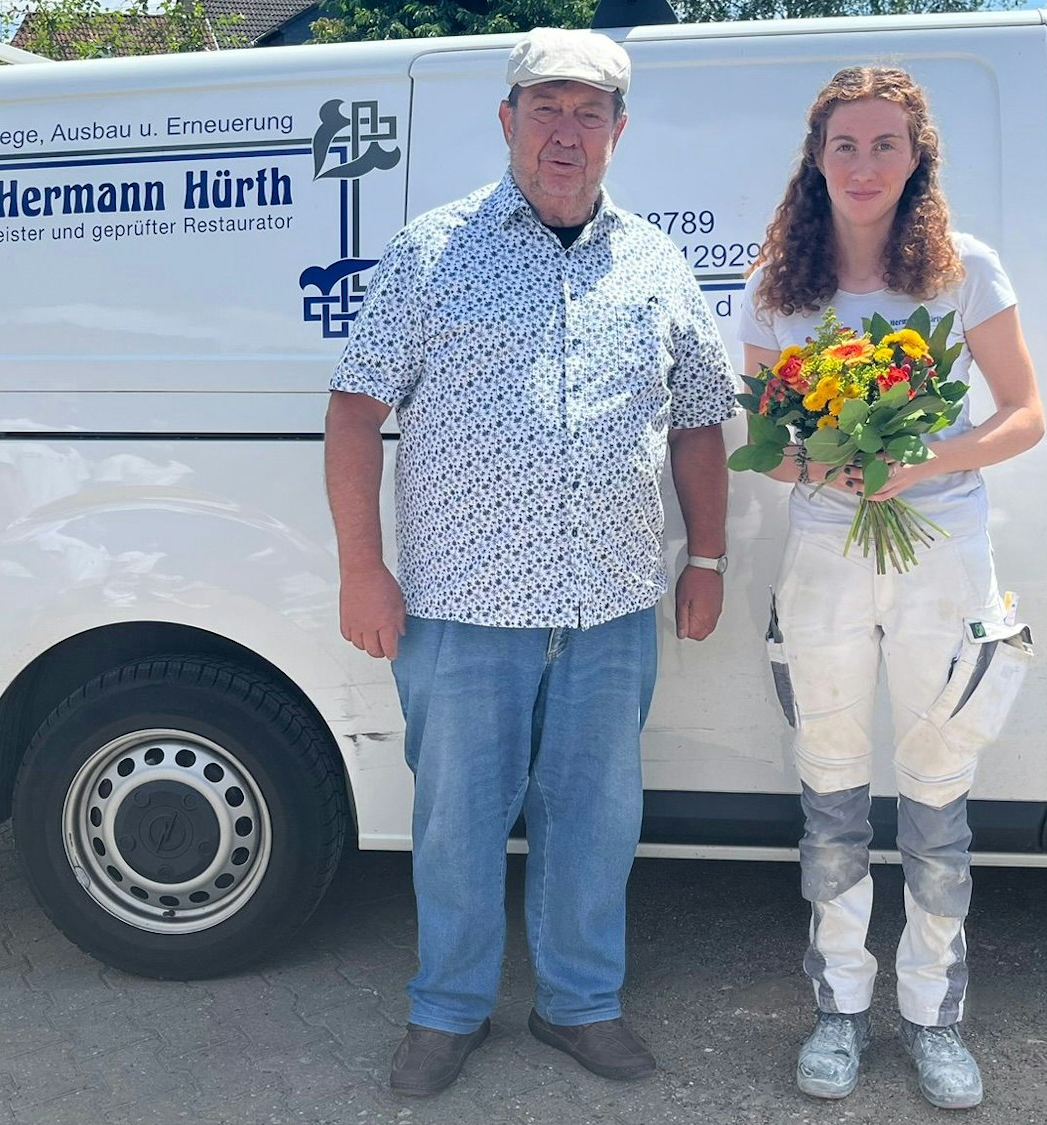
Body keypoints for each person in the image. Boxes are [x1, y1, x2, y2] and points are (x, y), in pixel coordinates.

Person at [322, 27, 737, 1099]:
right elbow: (355, 412)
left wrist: (709, 561)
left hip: (608, 606)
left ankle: (578, 1004)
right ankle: (444, 1011)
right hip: (460, 607)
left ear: (618, 131)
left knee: (593, 816)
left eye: (587, 113)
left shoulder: (653, 262)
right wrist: (362, 569)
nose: (565, 132)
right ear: (506, 121)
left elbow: (697, 421)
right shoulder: (431, 249)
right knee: (455, 819)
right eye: (544, 109)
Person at [739, 66, 1046, 1111]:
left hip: (942, 558)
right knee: (828, 792)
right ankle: (836, 1008)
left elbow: (1022, 415)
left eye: (882, 145)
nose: (861, 165)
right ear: (813, 160)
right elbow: (762, 444)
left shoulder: (964, 274)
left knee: (935, 792)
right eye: (842, 145)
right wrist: (822, 462)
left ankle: (931, 1017)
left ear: (916, 158)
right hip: (824, 560)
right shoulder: (779, 282)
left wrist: (919, 463)